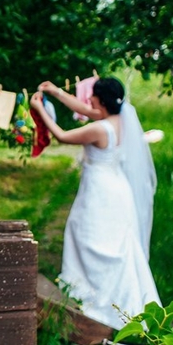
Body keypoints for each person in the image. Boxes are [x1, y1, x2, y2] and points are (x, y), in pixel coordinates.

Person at [31, 77, 161, 329]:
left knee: (88, 237)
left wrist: (39, 110)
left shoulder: (100, 129)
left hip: (100, 192)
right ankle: (97, 289)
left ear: (102, 101)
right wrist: (55, 92)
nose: (88, 99)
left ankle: (93, 293)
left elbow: (62, 136)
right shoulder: (121, 119)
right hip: (117, 188)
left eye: (93, 96)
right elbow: (83, 109)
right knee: (113, 243)